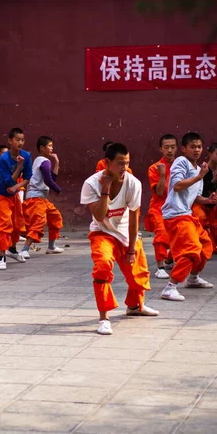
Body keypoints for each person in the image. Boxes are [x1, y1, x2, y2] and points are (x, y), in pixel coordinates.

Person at [81, 142, 158, 335]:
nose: (124, 168)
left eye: (127, 163)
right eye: (120, 163)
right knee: (102, 267)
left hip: (126, 233)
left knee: (137, 275)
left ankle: (135, 306)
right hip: (102, 233)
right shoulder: (92, 184)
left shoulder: (133, 183)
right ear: (107, 162)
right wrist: (105, 190)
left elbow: (134, 219)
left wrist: (132, 249)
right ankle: (104, 318)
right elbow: (99, 216)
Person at [161, 132, 217, 302]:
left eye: (199, 147)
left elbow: (194, 196)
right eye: (192, 147)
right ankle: (170, 287)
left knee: (206, 245)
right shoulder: (181, 162)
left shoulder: (200, 169)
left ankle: (192, 278)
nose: (196, 150)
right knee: (191, 249)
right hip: (176, 216)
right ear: (184, 149)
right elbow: (177, 186)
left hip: (187, 214)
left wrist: (207, 200)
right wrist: (199, 177)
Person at [0, 128, 32, 270]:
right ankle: (1, 256)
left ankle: (12, 249)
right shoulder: (4, 159)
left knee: (17, 223)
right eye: (17, 139)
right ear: (10, 141)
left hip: (13, 192)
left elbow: (27, 178)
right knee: (4, 223)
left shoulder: (26, 155)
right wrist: (19, 166)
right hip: (1, 193)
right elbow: (9, 181)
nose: (20, 142)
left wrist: (17, 187)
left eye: (22, 139)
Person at [20, 136, 64, 259]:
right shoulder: (43, 161)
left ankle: (51, 246)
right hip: (35, 199)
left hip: (42, 199)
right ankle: (24, 249)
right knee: (38, 223)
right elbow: (49, 180)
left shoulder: (41, 161)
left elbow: (52, 178)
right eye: (49, 146)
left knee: (55, 218)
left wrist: (57, 162)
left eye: (52, 146)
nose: (51, 148)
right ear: (42, 148)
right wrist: (58, 190)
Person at [144, 134, 177, 279]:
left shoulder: (181, 165)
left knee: (181, 234)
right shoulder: (154, 168)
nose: (169, 150)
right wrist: (163, 175)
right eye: (166, 147)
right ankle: (160, 266)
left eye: (173, 147)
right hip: (159, 207)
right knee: (162, 233)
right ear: (160, 149)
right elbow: (158, 192)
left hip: (177, 207)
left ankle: (170, 259)